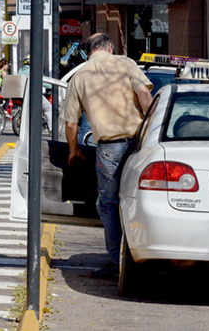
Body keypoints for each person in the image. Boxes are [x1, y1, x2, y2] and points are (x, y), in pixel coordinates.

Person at [62, 33, 153, 280]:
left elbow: (71, 123)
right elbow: (144, 94)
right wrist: (150, 128)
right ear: (109, 47)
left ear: (89, 51)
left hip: (109, 148)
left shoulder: (80, 76)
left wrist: (73, 150)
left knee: (108, 203)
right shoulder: (125, 63)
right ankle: (145, 253)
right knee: (139, 199)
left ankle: (117, 261)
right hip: (139, 144)